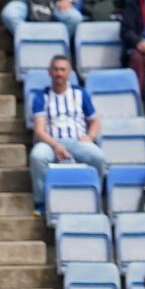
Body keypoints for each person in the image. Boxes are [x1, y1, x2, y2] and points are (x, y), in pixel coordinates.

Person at [28, 54, 105, 209]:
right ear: (49, 72)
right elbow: (39, 130)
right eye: (55, 69)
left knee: (98, 157)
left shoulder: (80, 94)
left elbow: (95, 121)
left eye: (63, 70)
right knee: (37, 157)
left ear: (69, 73)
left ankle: (95, 196)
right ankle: (41, 201)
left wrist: (90, 136)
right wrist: (56, 146)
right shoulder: (41, 96)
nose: (59, 73)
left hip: (77, 141)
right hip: (50, 142)